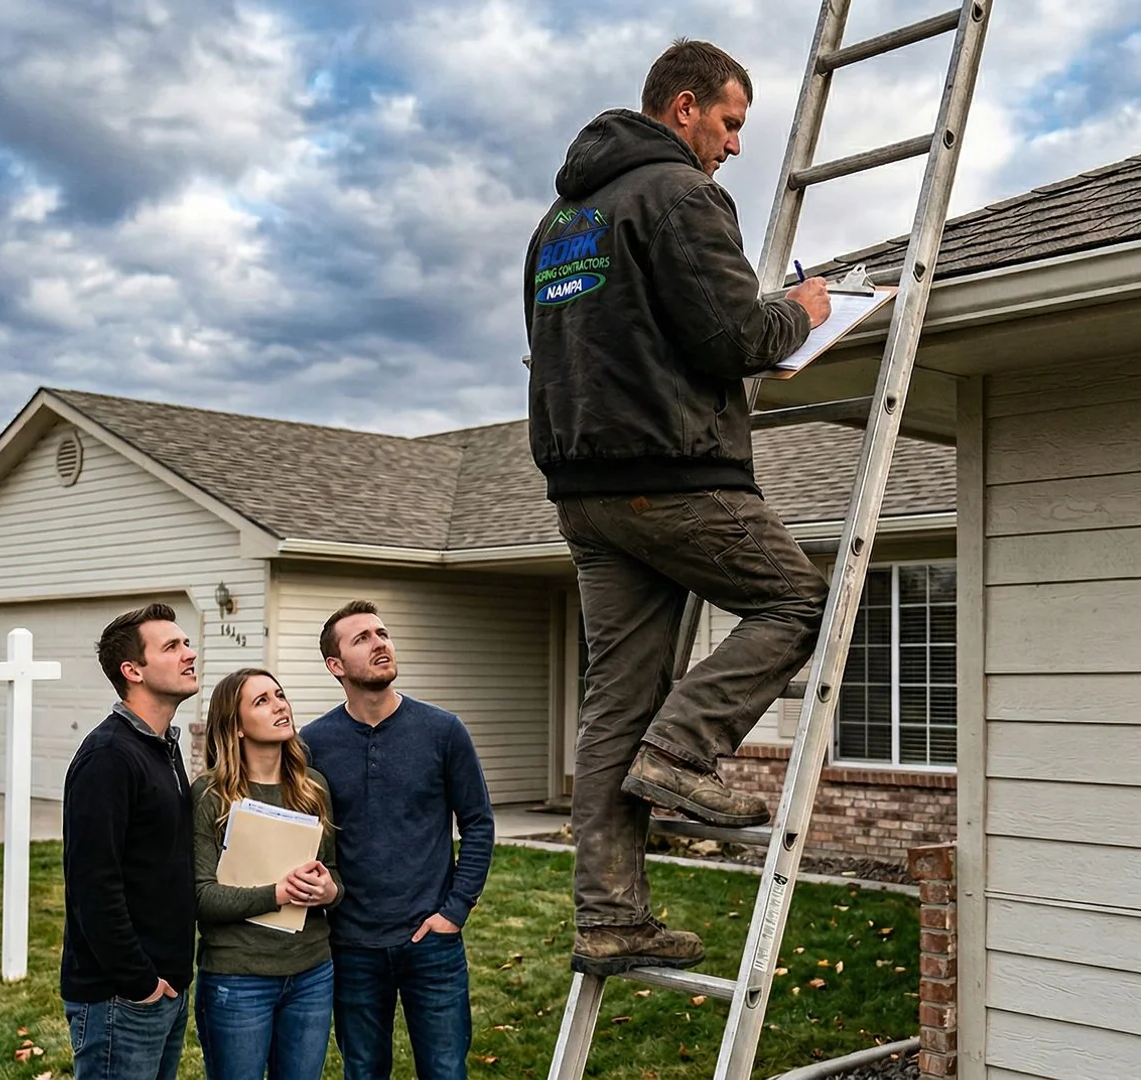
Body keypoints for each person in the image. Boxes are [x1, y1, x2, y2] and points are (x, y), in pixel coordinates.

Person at [521, 39, 834, 977]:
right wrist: (807, 309)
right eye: (731, 123)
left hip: (585, 492)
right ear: (685, 105)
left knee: (612, 709)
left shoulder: (558, 222)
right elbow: (734, 333)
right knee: (797, 601)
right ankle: (686, 751)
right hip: (674, 474)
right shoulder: (678, 195)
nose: (734, 146)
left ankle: (611, 918)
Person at [301, 600, 495, 1080]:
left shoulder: (443, 731)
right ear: (336, 665)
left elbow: (479, 823)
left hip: (432, 942)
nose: (380, 643)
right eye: (362, 638)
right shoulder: (312, 744)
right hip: (352, 944)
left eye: (382, 633)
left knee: (445, 1071)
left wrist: (455, 911)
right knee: (364, 1071)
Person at [61, 602, 201, 1080]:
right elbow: (92, 885)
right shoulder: (109, 756)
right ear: (133, 670)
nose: (189, 652)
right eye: (172, 646)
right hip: (120, 997)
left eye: (186, 642)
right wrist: (140, 982)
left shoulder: (160, 746)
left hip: (165, 988)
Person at [191, 667, 342, 1080]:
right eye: (262, 701)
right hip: (238, 979)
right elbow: (202, 897)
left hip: (312, 972)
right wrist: (278, 893)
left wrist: (328, 890)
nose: (280, 706)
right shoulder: (210, 796)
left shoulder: (313, 788)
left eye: (279, 695)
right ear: (235, 727)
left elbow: (335, 877)